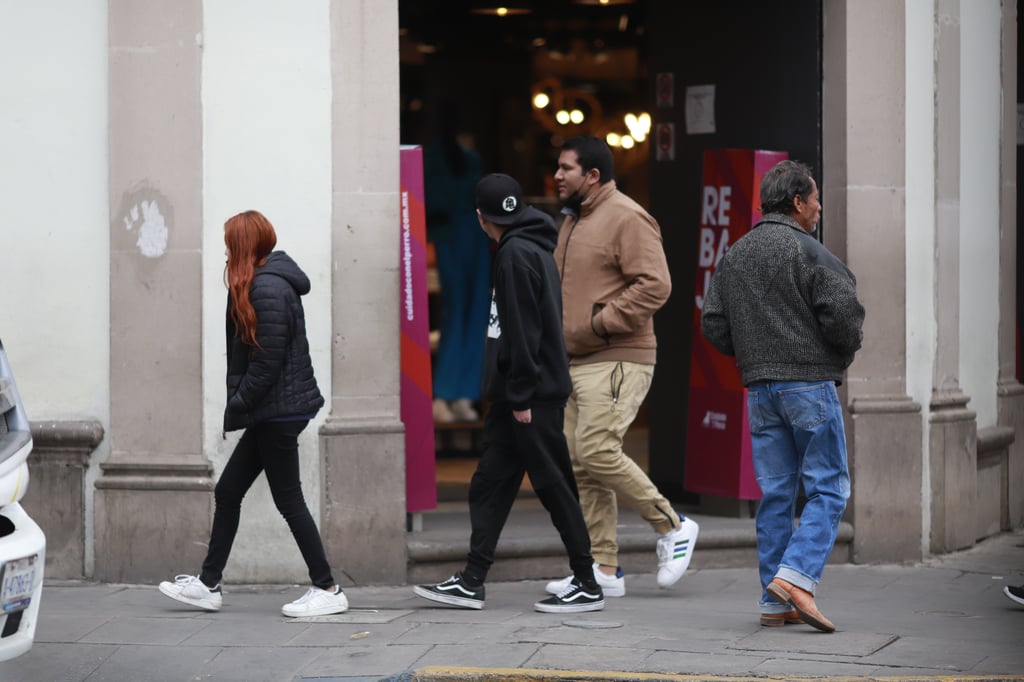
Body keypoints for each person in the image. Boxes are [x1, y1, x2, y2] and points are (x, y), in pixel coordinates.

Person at [414, 173, 604, 614]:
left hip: (529, 395)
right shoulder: (531, 246)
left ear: (481, 218)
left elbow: (523, 330)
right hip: (519, 393)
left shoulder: (516, 254)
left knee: (554, 484)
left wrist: (519, 397)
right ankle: (472, 579)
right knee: (490, 484)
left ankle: (587, 581)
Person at [701, 160, 865, 633]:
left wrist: (753, 353)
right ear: (796, 203)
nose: (818, 208)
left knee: (776, 493)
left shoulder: (737, 253)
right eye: (814, 199)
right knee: (829, 487)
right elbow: (845, 318)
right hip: (809, 385)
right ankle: (795, 579)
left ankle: (774, 602)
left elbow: (713, 322)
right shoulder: (810, 251)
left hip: (760, 389)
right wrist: (835, 354)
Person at [159, 210, 348, 618]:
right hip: (273, 410)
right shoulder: (261, 283)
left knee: (288, 499)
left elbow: (267, 363)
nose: (226, 249)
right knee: (228, 492)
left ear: (243, 245)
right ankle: (209, 584)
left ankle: (328, 587)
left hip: (278, 412)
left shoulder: (266, 289)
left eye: (230, 242)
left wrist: (238, 404)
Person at [545, 136, 699, 599]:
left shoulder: (627, 216)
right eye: (558, 167)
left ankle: (673, 526)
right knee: (582, 463)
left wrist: (598, 323)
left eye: (566, 169)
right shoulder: (574, 220)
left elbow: (657, 284)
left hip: (618, 356)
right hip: (578, 359)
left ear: (592, 176)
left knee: (596, 450)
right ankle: (603, 568)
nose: (557, 175)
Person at [423, 106, 491, 423]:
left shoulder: (471, 158)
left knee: (477, 315)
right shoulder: (433, 158)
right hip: (449, 239)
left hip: (475, 240)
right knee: (454, 315)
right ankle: (444, 393)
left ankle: (466, 392)